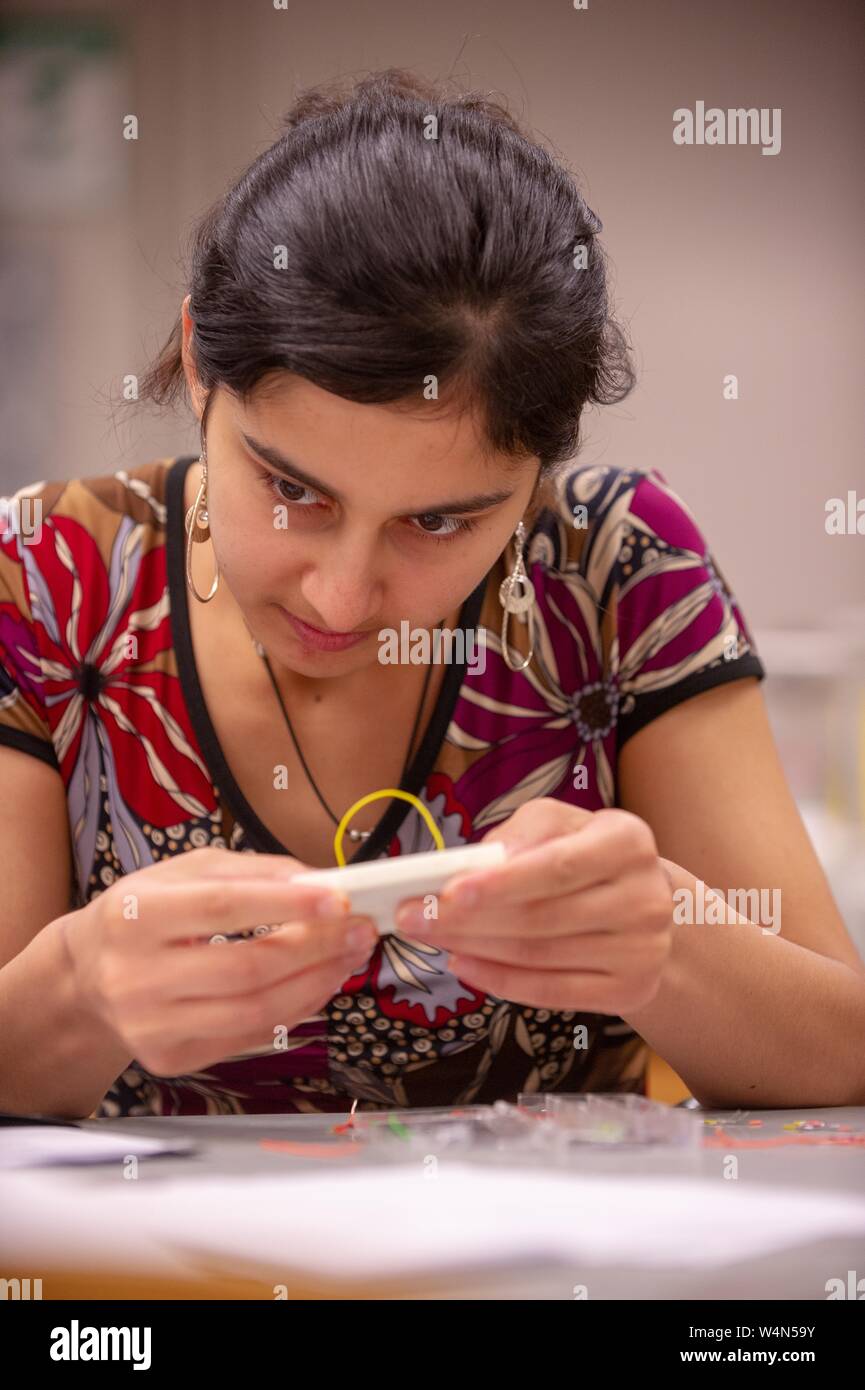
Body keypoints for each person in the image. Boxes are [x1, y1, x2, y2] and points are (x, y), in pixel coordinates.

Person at [2, 70, 863, 1121]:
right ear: (196, 364)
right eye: (290, 490)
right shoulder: (44, 575)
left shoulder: (611, 568)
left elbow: (840, 1055)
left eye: (441, 522)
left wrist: (669, 943)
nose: (344, 593)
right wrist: (80, 990)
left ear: (536, 476)